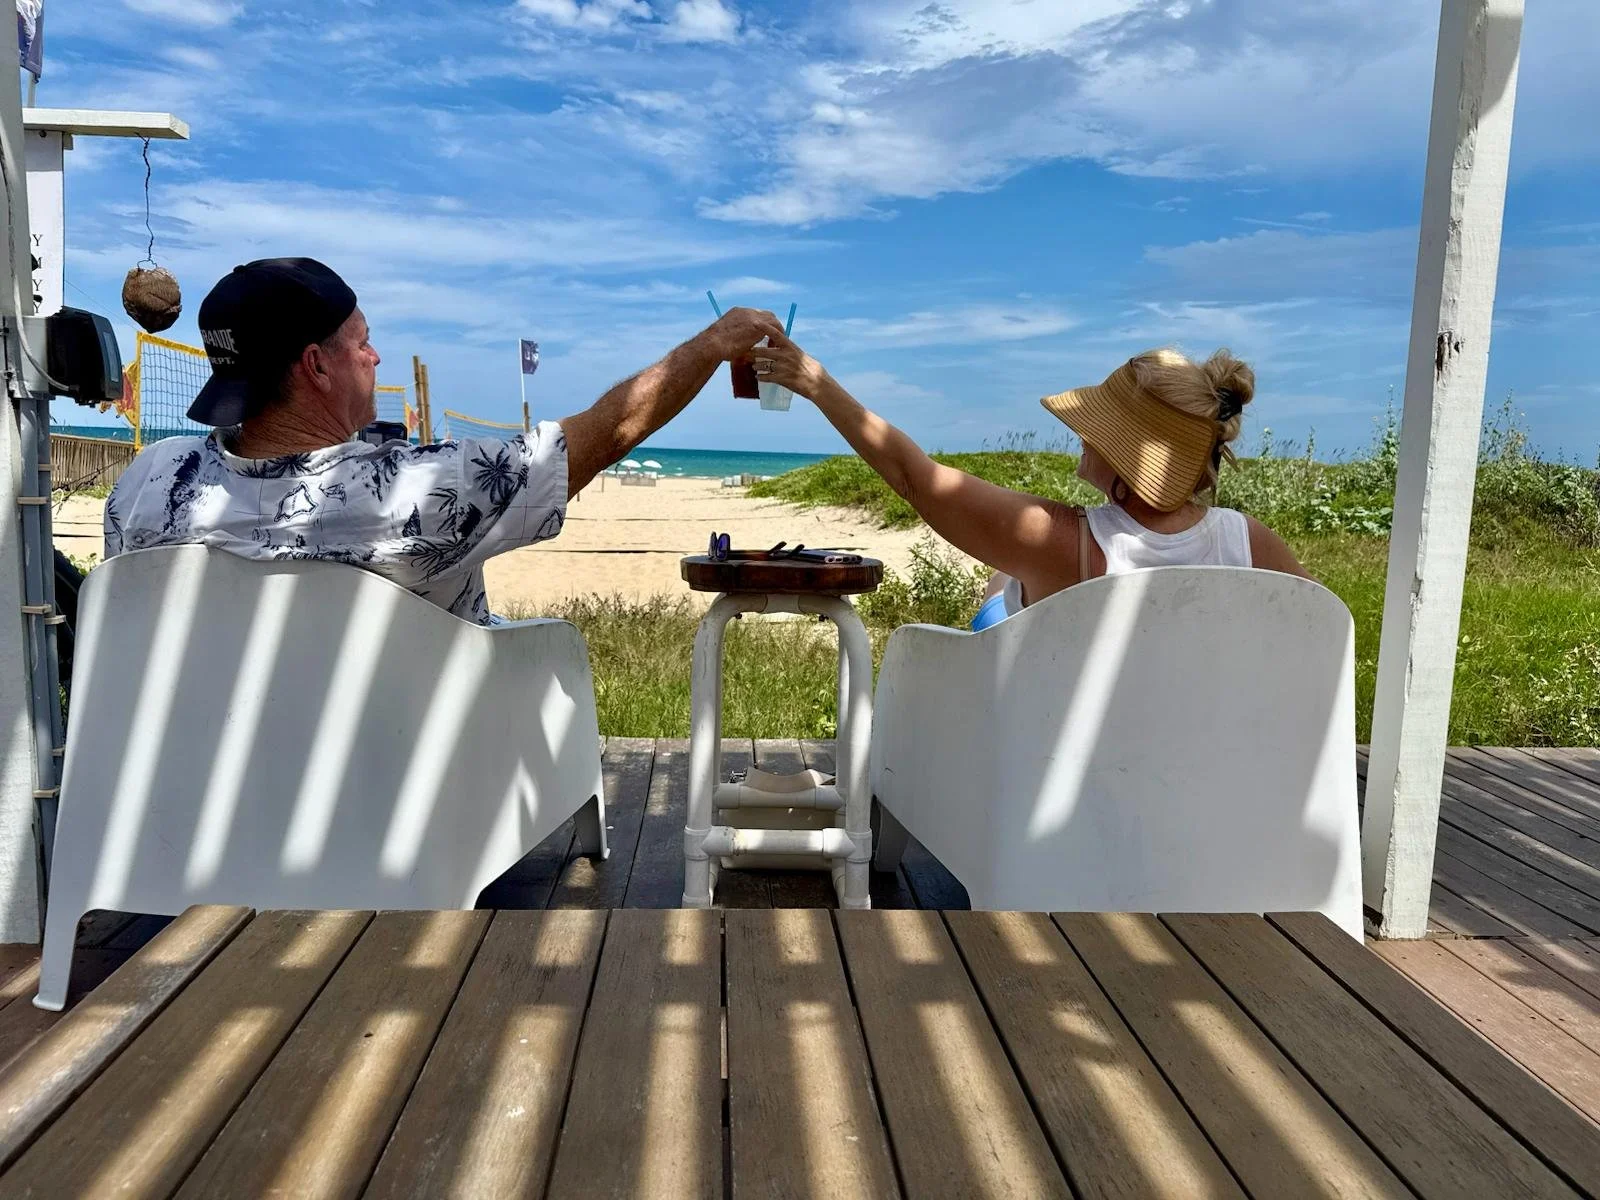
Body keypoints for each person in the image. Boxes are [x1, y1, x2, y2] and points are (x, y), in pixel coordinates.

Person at [105, 258, 781, 623]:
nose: (375, 358)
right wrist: (715, 343)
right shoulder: (412, 496)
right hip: (393, 787)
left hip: (195, 801)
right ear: (316, 365)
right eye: (362, 342)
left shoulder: (144, 488)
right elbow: (609, 432)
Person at [752, 337, 1309, 628]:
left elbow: (915, 479)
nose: (1083, 437)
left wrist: (818, 385)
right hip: (1211, 783)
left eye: (1097, 428)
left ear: (1118, 449)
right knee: (1007, 580)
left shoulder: (1061, 543)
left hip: (1080, 787)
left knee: (1000, 592)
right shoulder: (1250, 542)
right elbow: (1321, 634)